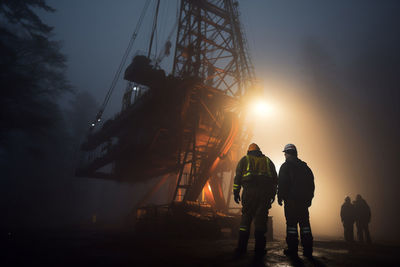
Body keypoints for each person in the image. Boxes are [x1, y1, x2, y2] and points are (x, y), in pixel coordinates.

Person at [233, 143, 277, 263]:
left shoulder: (245, 160)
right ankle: (259, 250)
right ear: (259, 150)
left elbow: (237, 178)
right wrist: (273, 194)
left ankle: (241, 248)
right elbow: (274, 180)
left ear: (249, 151)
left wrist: (236, 192)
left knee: (245, 221)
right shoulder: (268, 161)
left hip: (249, 193)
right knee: (261, 222)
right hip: (264, 195)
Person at [278, 144, 315, 258]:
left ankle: (292, 249)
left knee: (291, 226)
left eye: (285, 153)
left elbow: (282, 184)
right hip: (303, 203)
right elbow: (311, 185)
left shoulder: (285, 166)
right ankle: (308, 250)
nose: (284, 155)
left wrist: (280, 197)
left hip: (291, 202)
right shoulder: (305, 167)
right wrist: (308, 199)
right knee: (305, 226)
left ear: (289, 153)